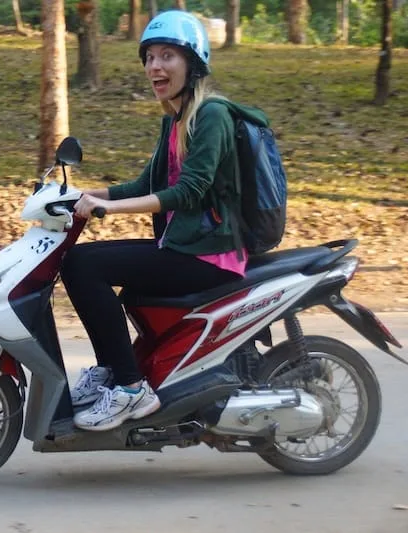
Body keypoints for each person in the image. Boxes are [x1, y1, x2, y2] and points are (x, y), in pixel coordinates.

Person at [62, 10, 269, 431]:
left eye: (168, 56)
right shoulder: (176, 119)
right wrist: (79, 196)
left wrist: (109, 210)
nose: (155, 66)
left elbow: (190, 191)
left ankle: (130, 389)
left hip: (210, 255)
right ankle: (114, 373)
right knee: (99, 276)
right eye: (149, 57)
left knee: (82, 265)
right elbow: (146, 182)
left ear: (192, 63)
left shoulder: (211, 115)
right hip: (185, 246)